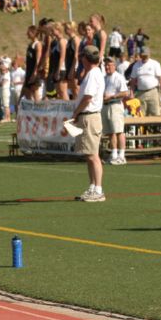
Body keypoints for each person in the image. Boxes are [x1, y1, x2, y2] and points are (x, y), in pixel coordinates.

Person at [70, 45, 105, 203]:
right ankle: (92, 187)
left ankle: (98, 189)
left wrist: (76, 112)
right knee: (89, 155)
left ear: (85, 58)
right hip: (88, 116)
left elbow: (87, 98)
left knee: (93, 155)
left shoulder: (93, 74)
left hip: (89, 116)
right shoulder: (93, 73)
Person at [101, 57, 129, 165]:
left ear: (114, 66)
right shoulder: (104, 78)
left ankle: (121, 156)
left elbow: (125, 93)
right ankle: (114, 155)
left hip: (115, 105)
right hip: (105, 106)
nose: (107, 67)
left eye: (110, 64)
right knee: (110, 132)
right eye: (106, 65)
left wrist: (112, 97)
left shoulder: (118, 77)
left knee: (118, 131)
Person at [129, 47, 161, 116]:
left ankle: (155, 127)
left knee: (155, 113)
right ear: (140, 55)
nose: (144, 57)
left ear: (149, 54)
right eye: (143, 55)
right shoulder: (136, 65)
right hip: (140, 92)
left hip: (153, 91)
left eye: (146, 55)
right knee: (141, 114)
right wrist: (131, 93)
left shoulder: (155, 64)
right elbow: (132, 81)